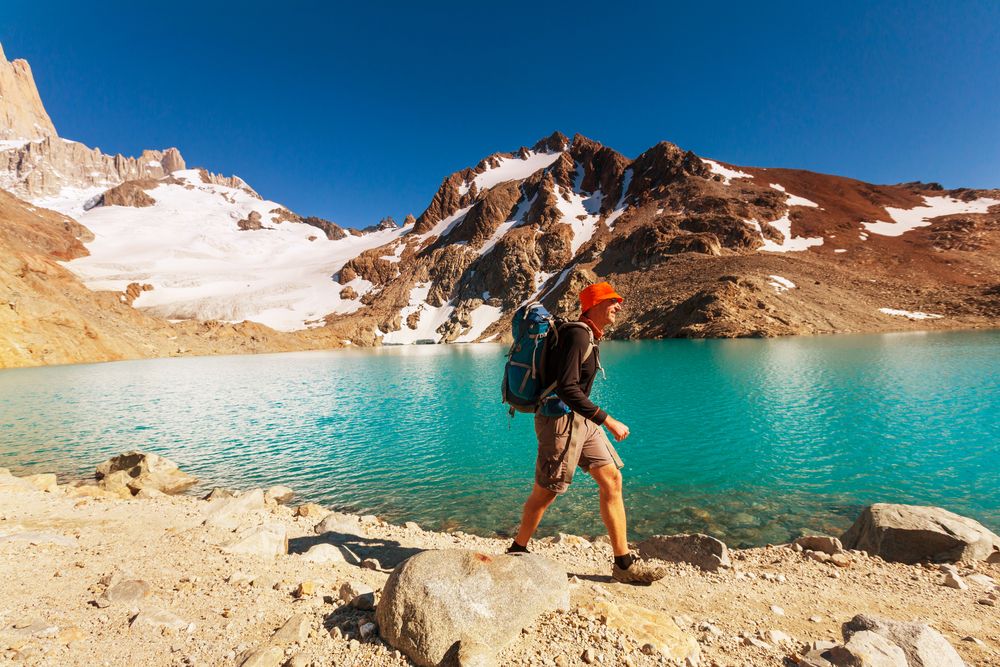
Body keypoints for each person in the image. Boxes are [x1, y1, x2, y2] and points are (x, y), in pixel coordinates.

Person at [507, 282, 666, 584]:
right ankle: (517, 549)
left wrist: (595, 419)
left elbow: (574, 389)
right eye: (613, 301)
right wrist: (608, 420)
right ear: (595, 304)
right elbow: (567, 388)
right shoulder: (579, 334)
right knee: (546, 491)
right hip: (559, 422)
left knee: (612, 478)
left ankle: (623, 563)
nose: (619, 306)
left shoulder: (588, 334)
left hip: (580, 419)